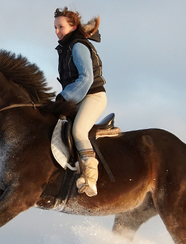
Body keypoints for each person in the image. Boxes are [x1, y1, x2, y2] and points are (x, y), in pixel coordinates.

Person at [54, 7, 107, 197]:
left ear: (73, 26)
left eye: (61, 27)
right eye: (55, 28)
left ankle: (90, 179)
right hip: (79, 97)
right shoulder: (66, 47)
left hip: (93, 96)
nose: (57, 31)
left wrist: (64, 98)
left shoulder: (78, 45)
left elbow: (86, 79)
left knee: (78, 130)